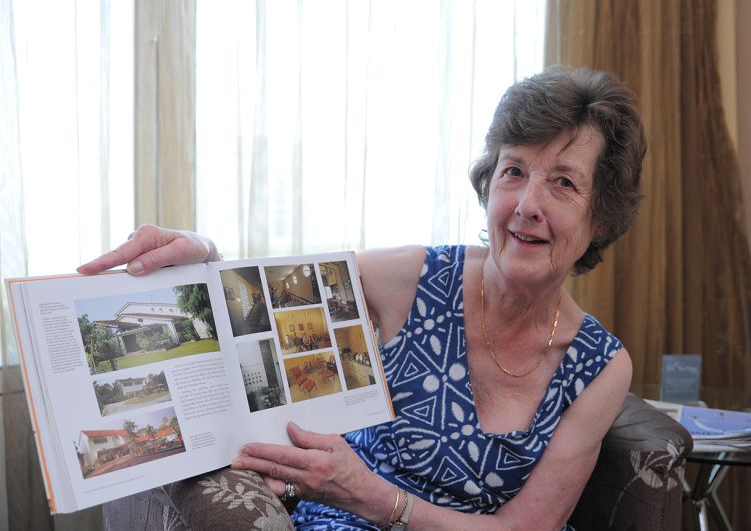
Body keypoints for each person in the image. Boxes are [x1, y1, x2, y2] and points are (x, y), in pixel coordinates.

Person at [78, 65, 646, 530]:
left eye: (564, 182)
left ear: (601, 217)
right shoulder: (415, 277)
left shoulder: (599, 366)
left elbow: (527, 530)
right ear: (488, 184)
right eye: (514, 171)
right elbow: (268, 295)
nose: (526, 204)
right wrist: (202, 251)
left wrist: (376, 498)